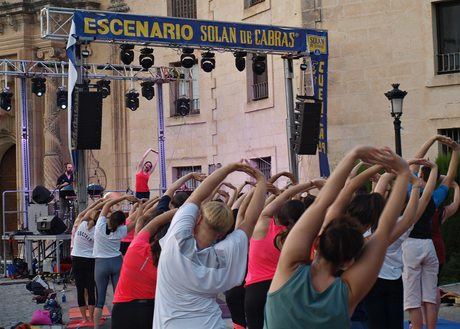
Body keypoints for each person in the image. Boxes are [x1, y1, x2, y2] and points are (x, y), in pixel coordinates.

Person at [264, 146, 410, 329]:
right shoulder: (347, 293)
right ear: (348, 262)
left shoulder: (288, 270)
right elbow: (384, 228)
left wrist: (353, 154)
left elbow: (321, 203)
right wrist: (404, 173)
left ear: (317, 242)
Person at [153, 162, 267, 329]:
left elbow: (197, 197)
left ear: (198, 218)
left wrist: (229, 168)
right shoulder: (224, 254)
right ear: (222, 233)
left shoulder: (176, 240)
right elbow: (250, 220)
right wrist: (262, 181)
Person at [365, 160, 438, 329]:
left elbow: (382, 182)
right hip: (394, 279)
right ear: (404, 205)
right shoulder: (405, 224)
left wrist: (405, 165)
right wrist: (419, 182)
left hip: (373, 278)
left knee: (375, 322)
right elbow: (425, 197)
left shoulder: (373, 222)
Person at [402, 136, 459, 329]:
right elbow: (450, 176)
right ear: (434, 178)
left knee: (413, 300)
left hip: (411, 245)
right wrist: (456, 150)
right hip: (429, 247)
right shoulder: (434, 197)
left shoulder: (412, 192)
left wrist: (432, 139)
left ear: (420, 176)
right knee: (429, 295)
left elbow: (414, 163)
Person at [245, 180, 317, 329]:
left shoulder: (263, 224)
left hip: (255, 291)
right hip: (286, 289)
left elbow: (286, 195)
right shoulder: (304, 238)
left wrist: (309, 183)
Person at [112, 209, 177, 329]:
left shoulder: (136, 246)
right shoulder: (169, 262)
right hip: (150, 311)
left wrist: (180, 210)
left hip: (122, 310)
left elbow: (153, 222)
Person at [93, 195, 139, 329]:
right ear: (121, 223)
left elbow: (106, 205)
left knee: (99, 301)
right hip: (116, 262)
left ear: (110, 218)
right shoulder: (122, 231)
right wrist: (140, 206)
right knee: (118, 297)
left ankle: (96, 327)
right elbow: (136, 221)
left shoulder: (99, 226)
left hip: (100, 264)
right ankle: (118, 325)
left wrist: (124, 197)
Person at [71, 198, 108, 325]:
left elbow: (88, 211)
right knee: (91, 288)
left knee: (80, 289)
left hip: (77, 258)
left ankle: (84, 319)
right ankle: (92, 318)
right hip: (90, 260)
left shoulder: (81, 223)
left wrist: (99, 203)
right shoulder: (98, 231)